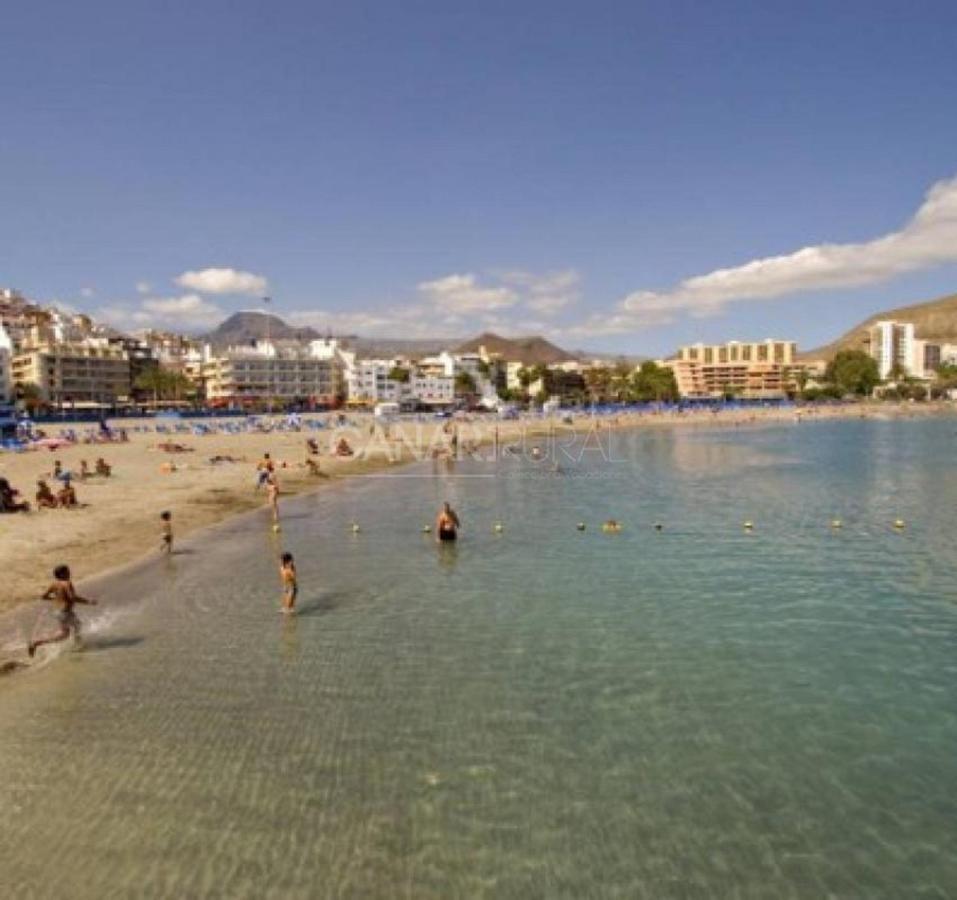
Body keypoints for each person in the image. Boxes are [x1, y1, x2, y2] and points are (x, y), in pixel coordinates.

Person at [28, 564, 97, 656]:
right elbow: (72, 597)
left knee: (64, 634)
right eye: (67, 572)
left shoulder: (54, 584)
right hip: (65, 612)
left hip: (58, 612)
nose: (69, 573)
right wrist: (88, 601)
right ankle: (79, 645)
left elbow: (44, 597)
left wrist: (56, 599)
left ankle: (37, 643)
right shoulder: (67, 583)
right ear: (61, 574)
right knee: (77, 626)